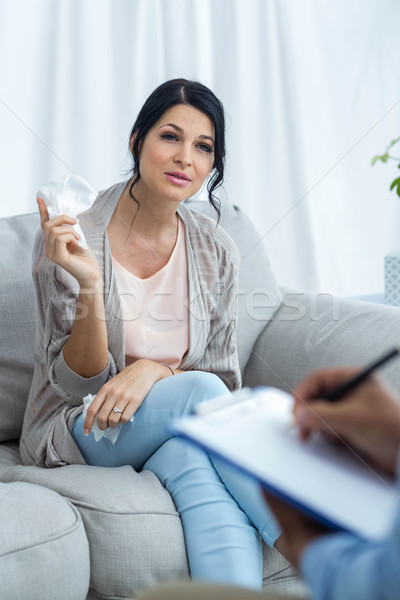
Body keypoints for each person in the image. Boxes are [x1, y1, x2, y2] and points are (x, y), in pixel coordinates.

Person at [20, 78, 282, 590]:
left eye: (203, 147)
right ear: (137, 140)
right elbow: (76, 386)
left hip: (172, 427)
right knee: (200, 398)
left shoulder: (216, 250)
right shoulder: (75, 233)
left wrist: (156, 370)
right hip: (79, 426)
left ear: (213, 165)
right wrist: (90, 282)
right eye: (170, 136)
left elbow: (221, 381)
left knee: (198, 468)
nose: (185, 157)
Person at [136, 367, 400, 600]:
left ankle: (290, 540)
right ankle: (288, 538)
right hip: (116, 419)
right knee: (205, 389)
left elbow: (227, 376)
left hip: (181, 435)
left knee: (188, 457)